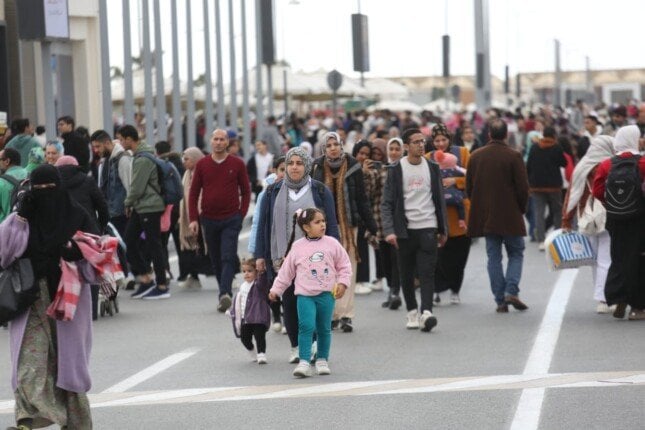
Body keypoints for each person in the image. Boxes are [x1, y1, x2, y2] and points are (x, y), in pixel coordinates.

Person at [6, 164, 97, 430]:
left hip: (68, 299)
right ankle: (28, 420)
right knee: (29, 361)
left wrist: (77, 253)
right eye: (39, 189)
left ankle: (75, 422)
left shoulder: (77, 215)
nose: (44, 194)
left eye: (50, 188)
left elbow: (98, 261)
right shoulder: (23, 216)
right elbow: (4, 252)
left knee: (67, 366)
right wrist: (19, 218)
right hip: (30, 299)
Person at [254, 147, 339, 363]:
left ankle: (312, 343)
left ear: (307, 166)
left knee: (314, 303)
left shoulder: (319, 191)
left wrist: (336, 254)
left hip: (315, 260)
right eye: (290, 163)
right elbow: (265, 225)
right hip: (283, 258)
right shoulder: (272, 192)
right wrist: (260, 255)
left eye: (299, 163)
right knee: (290, 303)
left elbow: (331, 224)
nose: (294, 167)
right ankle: (295, 346)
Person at [269, 208, 351, 378]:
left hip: (326, 295)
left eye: (323, 221)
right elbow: (286, 272)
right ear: (306, 227)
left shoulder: (332, 243)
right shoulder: (297, 247)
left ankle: (322, 359)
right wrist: (276, 290)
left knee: (323, 328)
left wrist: (343, 283)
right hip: (304, 296)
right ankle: (304, 362)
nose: (322, 225)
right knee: (306, 326)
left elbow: (344, 265)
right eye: (317, 222)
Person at [381, 128, 448, 332]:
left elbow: (439, 200)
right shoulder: (396, 169)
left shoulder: (433, 167)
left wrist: (443, 229)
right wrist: (389, 230)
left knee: (427, 273)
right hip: (404, 230)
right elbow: (387, 203)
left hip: (428, 227)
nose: (421, 145)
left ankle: (426, 312)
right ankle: (412, 311)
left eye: (423, 141)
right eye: (416, 142)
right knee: (407, 274)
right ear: (406, 146)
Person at [311, 132, 377, 333]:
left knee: (347, 270)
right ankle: (330, 314)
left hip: (349, 227)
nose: (332, 148)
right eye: (328, 145)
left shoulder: (353, 166)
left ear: (341, 146)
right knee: (327, 270)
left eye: (336, 144)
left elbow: (361, 198)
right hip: (324, 227)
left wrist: (372, 226)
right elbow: (313, 197)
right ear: (323, 148)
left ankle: (346, 315)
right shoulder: (317, 167)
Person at [467, 119, 530, 313]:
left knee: (493, 257)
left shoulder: (476, 156)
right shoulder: (513, 156)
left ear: (489, 135)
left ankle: (500, 300)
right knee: (516, 253)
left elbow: (469, 188)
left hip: (487, 216)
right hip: (510, 214)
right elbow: (522, 188)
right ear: (505, 135)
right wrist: (521, 209)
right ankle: (511, 290)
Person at [189, 129, 251, 312]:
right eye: (215, 139)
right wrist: (193, 219)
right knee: (215, 258)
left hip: (231, 218)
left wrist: (241, 213)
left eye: (222, 139)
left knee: (227, 256)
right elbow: (193, 193)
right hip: (208, 218)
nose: (218, 142)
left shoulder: (237, 164)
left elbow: (246, 191)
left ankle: (225, 294)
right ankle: (223, 290)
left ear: (227, 142)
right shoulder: (202, 164)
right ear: (211, 142)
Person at [592, 125, 645, 321]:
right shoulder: (642, 163)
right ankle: (638, 307)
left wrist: (612, 205)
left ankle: (618, 297)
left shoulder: (607, 164)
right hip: (639, 219)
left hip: (615, 219)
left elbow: (597, 190)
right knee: (639, 259)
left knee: (618, 255)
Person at [562, 136, 615, 313]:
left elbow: (572, 195)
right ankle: (604, 298)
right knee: (606, 259)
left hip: (586, 218)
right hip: (607, 216)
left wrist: (566, 220)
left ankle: (601, 297)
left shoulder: (582, 166)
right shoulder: (611, 165)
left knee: (594, 260)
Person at [120, 124, 170, 300]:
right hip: (142, 206)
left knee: (153, 244)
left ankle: (162, 285)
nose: (120, 143)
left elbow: (137, 187)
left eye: (121, 139)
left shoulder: (142, 159)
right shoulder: (141, 155)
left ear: (129, 139)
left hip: (149, 206)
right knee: (129, 241)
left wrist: (127, 202)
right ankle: (146, 280)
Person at [425, 124, 472, 305]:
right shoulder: (428, 157)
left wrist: (456, 180)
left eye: (444, 140)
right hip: (436, 213)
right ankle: (437, 288)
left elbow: (473, 176)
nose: (441, 144)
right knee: (438, 255)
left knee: (459, 254)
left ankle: (455, 288)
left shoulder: (463, 153)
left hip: (460, 214)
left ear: (449, 139)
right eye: (437, 140)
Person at [248, 156, 286, 332]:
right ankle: (276, 314)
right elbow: (258, 222)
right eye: (282, 170)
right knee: (272, 283)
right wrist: (256, 252)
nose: (285, 174)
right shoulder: (267, 192)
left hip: (291, 248)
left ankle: (288, 317)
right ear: (275, 171)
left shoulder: (302, 191)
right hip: (271, 247)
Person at [526, 126, 567, 250]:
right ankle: (557, 238)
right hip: (554, 186)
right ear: (554, 135)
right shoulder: (557, 147)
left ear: (543, 135)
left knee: (539, 212)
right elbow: (564, 163)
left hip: (537, 186)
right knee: (557, 212)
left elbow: (528, 165)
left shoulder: (534, 147)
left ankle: (541, 241)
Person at [230, 258, 271, 365]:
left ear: (256, 272)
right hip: (246, 318)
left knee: (259, 336)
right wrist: (232, 310)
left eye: (250, 271)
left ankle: (261, 354)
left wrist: (262, 271)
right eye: (244, 271)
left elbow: (263, 281)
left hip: (258, 316)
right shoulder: (242, 286)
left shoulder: (258, 284)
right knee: (244, 338)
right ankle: (252, 350)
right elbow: (239, 301)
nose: (246, 274)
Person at [177, 147, 208, 288]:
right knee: (191, 247)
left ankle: (228, 276)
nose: (184, 162)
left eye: (187, 158)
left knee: (211, 247)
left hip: (205, 215)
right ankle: (193, 276)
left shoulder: (205, 172)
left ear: (195, 158)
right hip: (190, 217)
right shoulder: (187, 174)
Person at [55, 155, 109, 234]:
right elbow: (102, 207)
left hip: (64, 233)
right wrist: (100, 226)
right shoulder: (88, 181)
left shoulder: (54, 184)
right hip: (89, 231)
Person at [380, 137, 404, 309]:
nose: (394, 152)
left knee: (397, 259)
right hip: (381, 220)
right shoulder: (381, 170)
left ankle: (395, 291)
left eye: (397, 149)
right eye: (392, 149)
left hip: (399, 221)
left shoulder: (405, 170)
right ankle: (391, 288)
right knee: (385, 260)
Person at [0, 148, 27, 222]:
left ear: (7, 161)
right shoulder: (30, 176)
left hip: (7, 228)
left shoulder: (1, 182)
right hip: (28, 228)